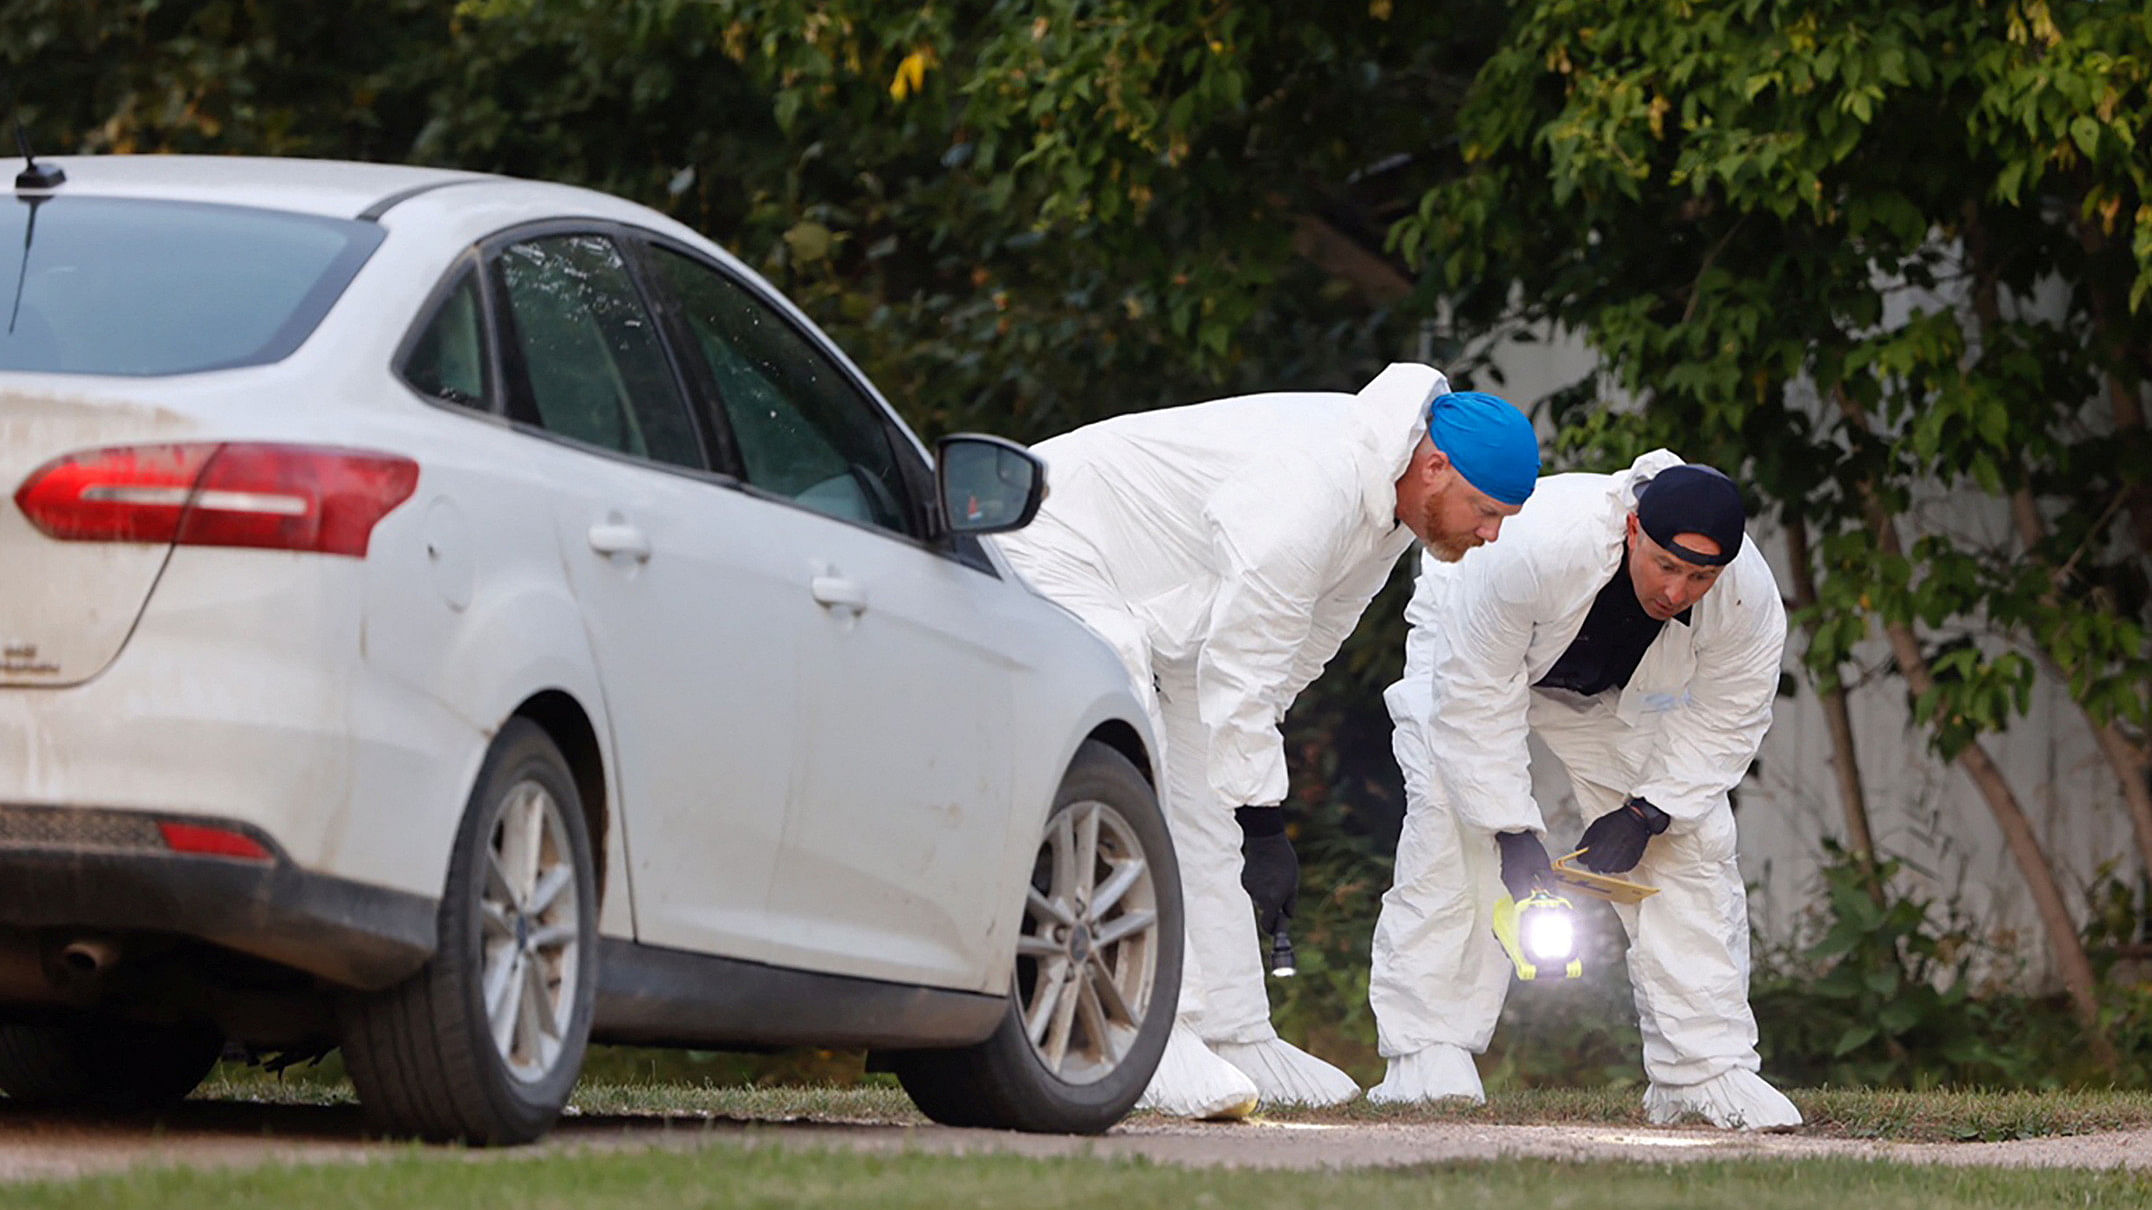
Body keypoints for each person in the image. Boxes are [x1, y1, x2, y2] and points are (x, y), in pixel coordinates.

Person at [996, 364, 1540, 1119]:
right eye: (1486, 511)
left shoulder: (1388, 510)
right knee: (1135, 750)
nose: (1492, 534)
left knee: (1207, 794)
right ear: (1435, 467)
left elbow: (1300, 649)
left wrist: (1247, 799)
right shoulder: (1315, 487)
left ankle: (1235, 1031)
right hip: (1047, 535)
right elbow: (1247, 660)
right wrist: (1264, 821)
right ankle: (1151, 1032)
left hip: (1170, 605)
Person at [1366, 449, 1802, 1130]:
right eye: (1667, 566)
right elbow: (1476, 699)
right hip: (1472, 652)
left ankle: (1702, 1071)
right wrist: (1512, 832)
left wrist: (1649, 811)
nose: (1679, 592)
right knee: (1451, 829)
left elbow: (1730, 714)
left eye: (1701, 576)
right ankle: (1428, 1055)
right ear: (1633, 530)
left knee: (1692, 842)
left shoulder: (1747, 597)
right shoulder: (1537, 548)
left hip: (1602, 691)